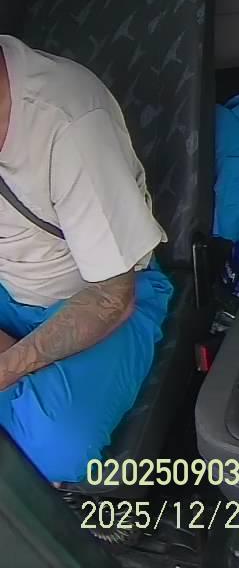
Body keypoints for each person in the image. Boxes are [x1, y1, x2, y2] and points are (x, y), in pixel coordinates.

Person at [0, 34, 172, 484]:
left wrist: (8, 366)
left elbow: (113, 296)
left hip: (99, 298)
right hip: (8, 286)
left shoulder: (69, 120)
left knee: (55, 451)